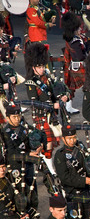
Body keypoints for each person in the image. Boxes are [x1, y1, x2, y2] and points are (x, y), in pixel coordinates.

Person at [24, 42, 69, 174]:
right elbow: (35, 103)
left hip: (52, 115)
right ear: (33, 67)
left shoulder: (48, 75)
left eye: (43, 65)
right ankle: (49, 168)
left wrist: (64, 95)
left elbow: (59, 85)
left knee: (54, 141)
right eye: (39, 66)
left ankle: (43, 161)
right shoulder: (30, 82)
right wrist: (52, 105)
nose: (42, 68)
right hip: (41, 115)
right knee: (47, 142)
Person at [54, 124, 90, 219]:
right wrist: (83, 181)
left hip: (86, 192)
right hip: (73, 194)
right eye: (69, 138)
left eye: (74, 137)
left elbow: (88, 163)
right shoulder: (60, 155)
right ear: (63, 139)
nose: (72, 140)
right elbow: (64, 177)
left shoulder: (80, 148)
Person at [61, 11, 90, 114]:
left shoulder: (75, 38)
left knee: (71, 87)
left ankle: (68, 107)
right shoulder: (75, 41)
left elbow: (87, 43)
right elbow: (80, 57)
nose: (80, 29)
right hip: (78, 67)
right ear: (73, 29)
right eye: (78, 28)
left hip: (72, 67)